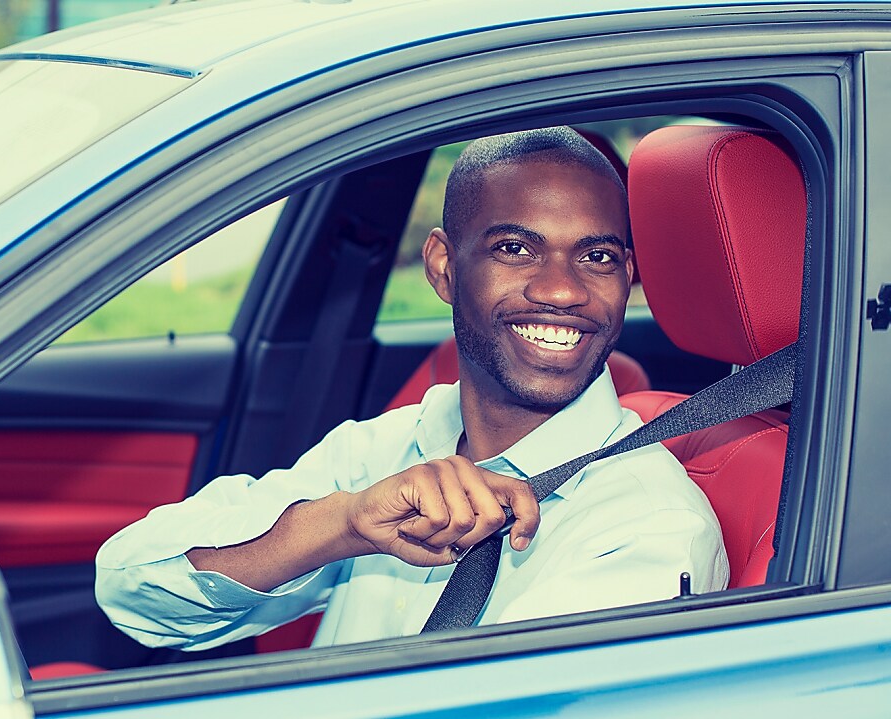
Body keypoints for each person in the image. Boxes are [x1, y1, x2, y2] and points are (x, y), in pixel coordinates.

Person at [95, 127, 729, 651]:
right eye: (515, 248)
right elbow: (133, 592)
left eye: (597, 257)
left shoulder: (645, 528)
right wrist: (342, 525)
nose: (561, 290)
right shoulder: (391, 448)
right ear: (444, 267)